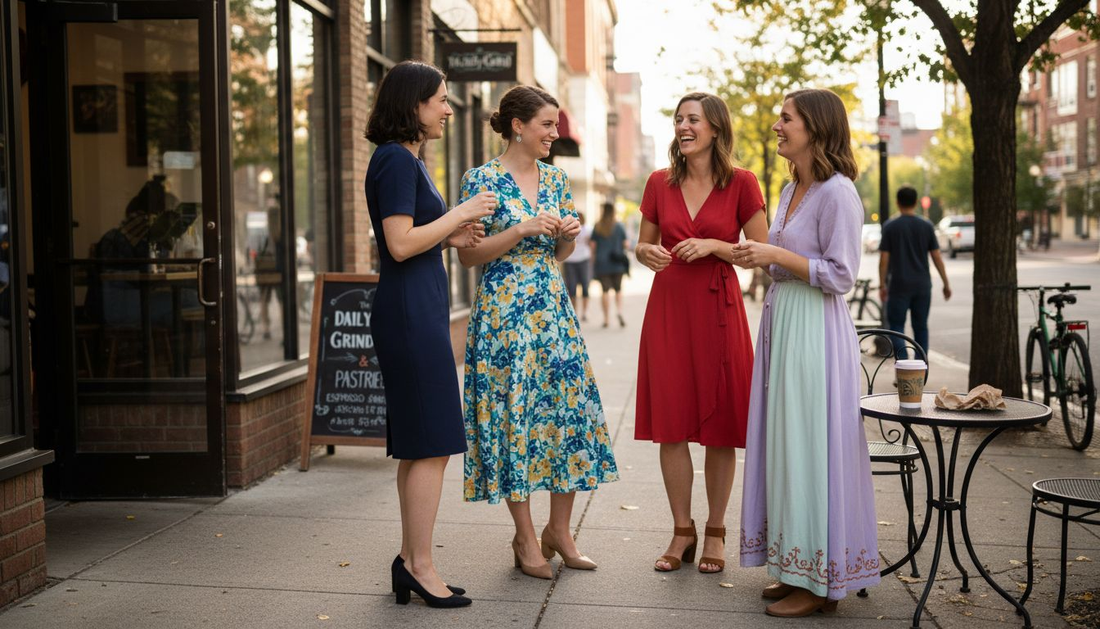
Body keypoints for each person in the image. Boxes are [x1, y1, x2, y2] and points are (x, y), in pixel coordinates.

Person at [458, 85, 619, 580]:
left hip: (552, 311)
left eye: (555, 124)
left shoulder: (556, 178)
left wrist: (566, 239)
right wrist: (521, 229)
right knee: (517, 419)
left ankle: (560, 531)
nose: (554, 134)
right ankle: (526, 537)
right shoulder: (480, 180)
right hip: (504, 317)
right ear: (518, 126)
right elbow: (469, 255)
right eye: (547, 124)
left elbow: (559, 256)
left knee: (566, 412)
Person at [732, 89, 880, 616]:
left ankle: (819, 584)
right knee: (785, 445)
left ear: (815, 128)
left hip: (815, 329)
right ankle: (793, 565)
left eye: (786, 118)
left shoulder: (838, 192)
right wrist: (760, 258)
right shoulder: (794, 186)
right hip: (784, 322)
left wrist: (774, 254)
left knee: (809, 446)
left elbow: (840, 274)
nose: (777, 125)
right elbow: (784, 262)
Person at [363, 60, 494, 609]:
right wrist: (459, 214)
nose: (448, 109)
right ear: (413, 104)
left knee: (422, 445)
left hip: (417, 311)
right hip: (409, 317)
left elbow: (415, 239)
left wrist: (450, 233)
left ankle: (408, 559)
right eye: (440, 99)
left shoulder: (406, 160)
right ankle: (421, 565)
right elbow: (397, 244)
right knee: (435, 443)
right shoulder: (395, 159)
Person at [634, 92, 768, 575]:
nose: (684, 126)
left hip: (719, 310)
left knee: (720, 429)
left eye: (694, 119)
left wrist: (716, 244)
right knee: (671, 426)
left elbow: (763, 251)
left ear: (715, 129)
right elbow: (643, 246)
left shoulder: (743, 184)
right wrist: (644, 254)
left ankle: (715, 530)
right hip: (669, 310)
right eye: (679, 119)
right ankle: (681, 530)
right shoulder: (658, 183)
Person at [879, 186, 951, 357]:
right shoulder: (926, 226)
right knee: (921, 327)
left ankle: (904, 369)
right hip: (922, 285)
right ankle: (919, 373)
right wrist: (946, 283)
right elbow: (937, 258)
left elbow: (884, 260)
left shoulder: (890, 227)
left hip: (898, 285)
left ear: (897, 202)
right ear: (916, 202)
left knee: (896, 327)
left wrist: (882, 285)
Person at [590, 202, 631, 328]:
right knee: (618, 289)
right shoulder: (619, 226)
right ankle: (619, 311)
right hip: (617, 262)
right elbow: (626, 244)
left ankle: (606, 319)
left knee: (605, 290)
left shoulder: (598, 226)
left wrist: (593, 259)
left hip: (602, 263)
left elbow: (592, 246)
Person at [561, 212, 593, 322]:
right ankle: (578, 311)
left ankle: (584, 311)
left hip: (581, 259)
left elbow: (591, 244)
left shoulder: (587, 229)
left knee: (582, 287)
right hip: (572, 260)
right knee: (574, 287)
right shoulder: (569, 229)